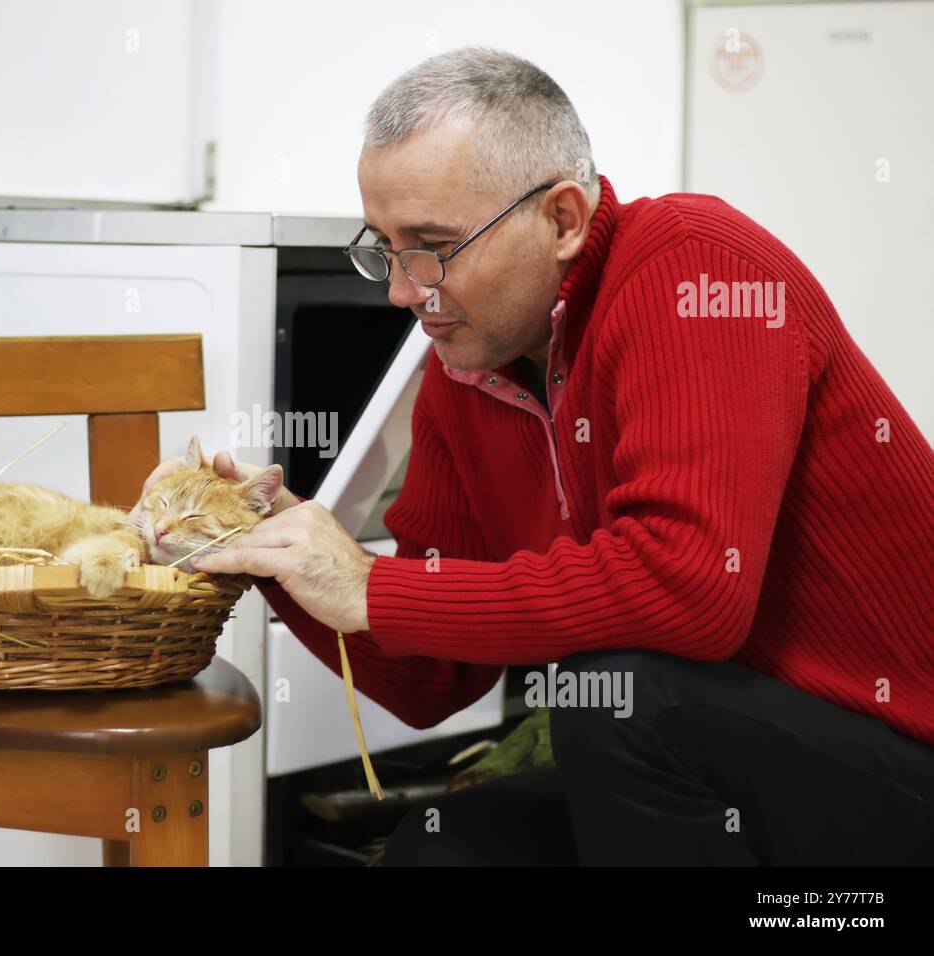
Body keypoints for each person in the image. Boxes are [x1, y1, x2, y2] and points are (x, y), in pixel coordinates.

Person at [136, 47, 934, 865]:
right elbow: (428, 681)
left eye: (433, 246)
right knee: (447, 848)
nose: (403, 291)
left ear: (561, 219)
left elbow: (689, 588)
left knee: (623, 695)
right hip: (734, 759)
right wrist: (277, 549)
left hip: (899, 755)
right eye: (384, 246)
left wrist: (370, 584)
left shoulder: (696, 266)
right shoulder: (466, 366)